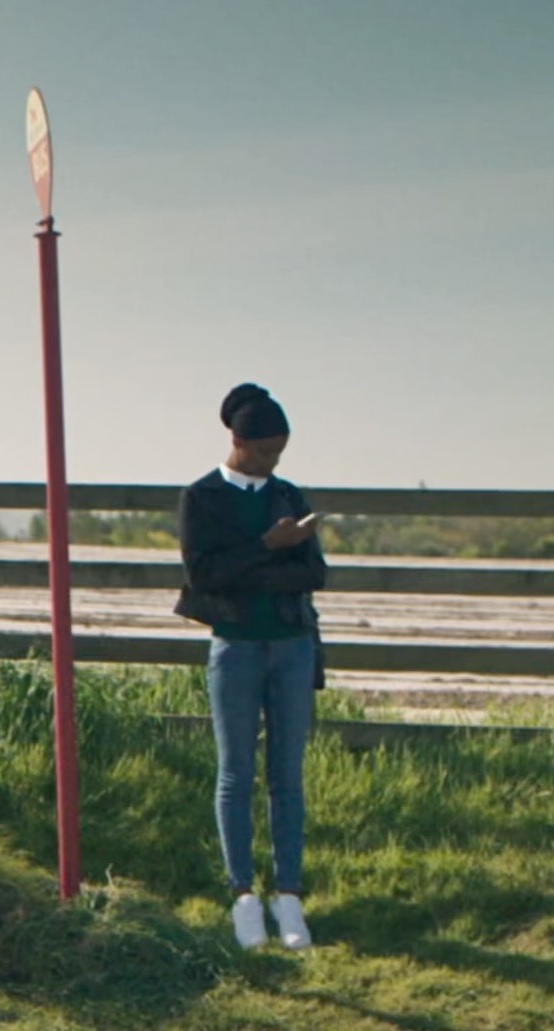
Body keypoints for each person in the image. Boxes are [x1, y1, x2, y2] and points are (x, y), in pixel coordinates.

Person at [175, 382, 326, 950]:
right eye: (264, 451)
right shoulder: (201, 498)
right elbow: (204, 576)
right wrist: (267, 547)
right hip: (235, 646)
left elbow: (314, 573)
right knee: (235, 773)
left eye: (279, 451)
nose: (272, 462)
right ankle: (243, 896)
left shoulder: (288, 494)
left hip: (292, 646)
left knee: (287, 774)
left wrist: (251, 568)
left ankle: (288, 895)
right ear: (237, 441)